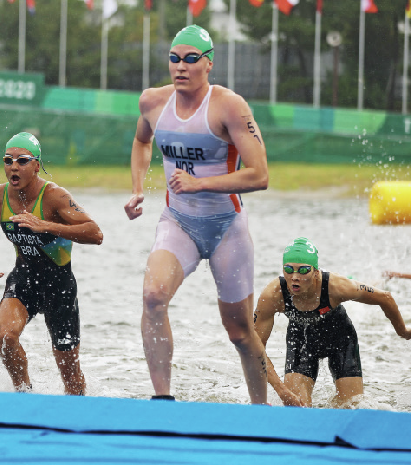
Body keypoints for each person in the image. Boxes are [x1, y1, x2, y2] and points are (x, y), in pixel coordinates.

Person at [123, 24, 269, 403]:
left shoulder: (229, 106)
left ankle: (262, 410)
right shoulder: (152, 102)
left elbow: (260, 175)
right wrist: (139, 187)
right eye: (174, 58)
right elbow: (142, 141)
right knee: (153, 296)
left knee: (239, 331)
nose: (180, 66)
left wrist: (202, 184)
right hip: (178, 223)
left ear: (209, 65)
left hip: (226, 227)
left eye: (191, 59)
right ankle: (162, 400)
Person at [0, 132, 103, 395]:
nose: (14, 166)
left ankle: (76, 413)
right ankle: (23, 394)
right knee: (6, 338)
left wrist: (46, 225)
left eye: (22, 161)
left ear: (36, 165)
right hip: (24, 279)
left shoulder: (54, 197)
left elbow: (95, 233)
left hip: (59, 286)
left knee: (69, 371)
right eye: (8, 160)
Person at [254, 237, 411, 408]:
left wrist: (402, 331)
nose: (294, 277)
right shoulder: (274, 295)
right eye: (288, 269)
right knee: (297, 410)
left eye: (303, 270)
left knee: (350, 407)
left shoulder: (336, 286)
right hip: (302, 341)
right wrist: (283, 392)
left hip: (340, 338)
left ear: (316, 272)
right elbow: (255, 347)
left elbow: (385, 298)